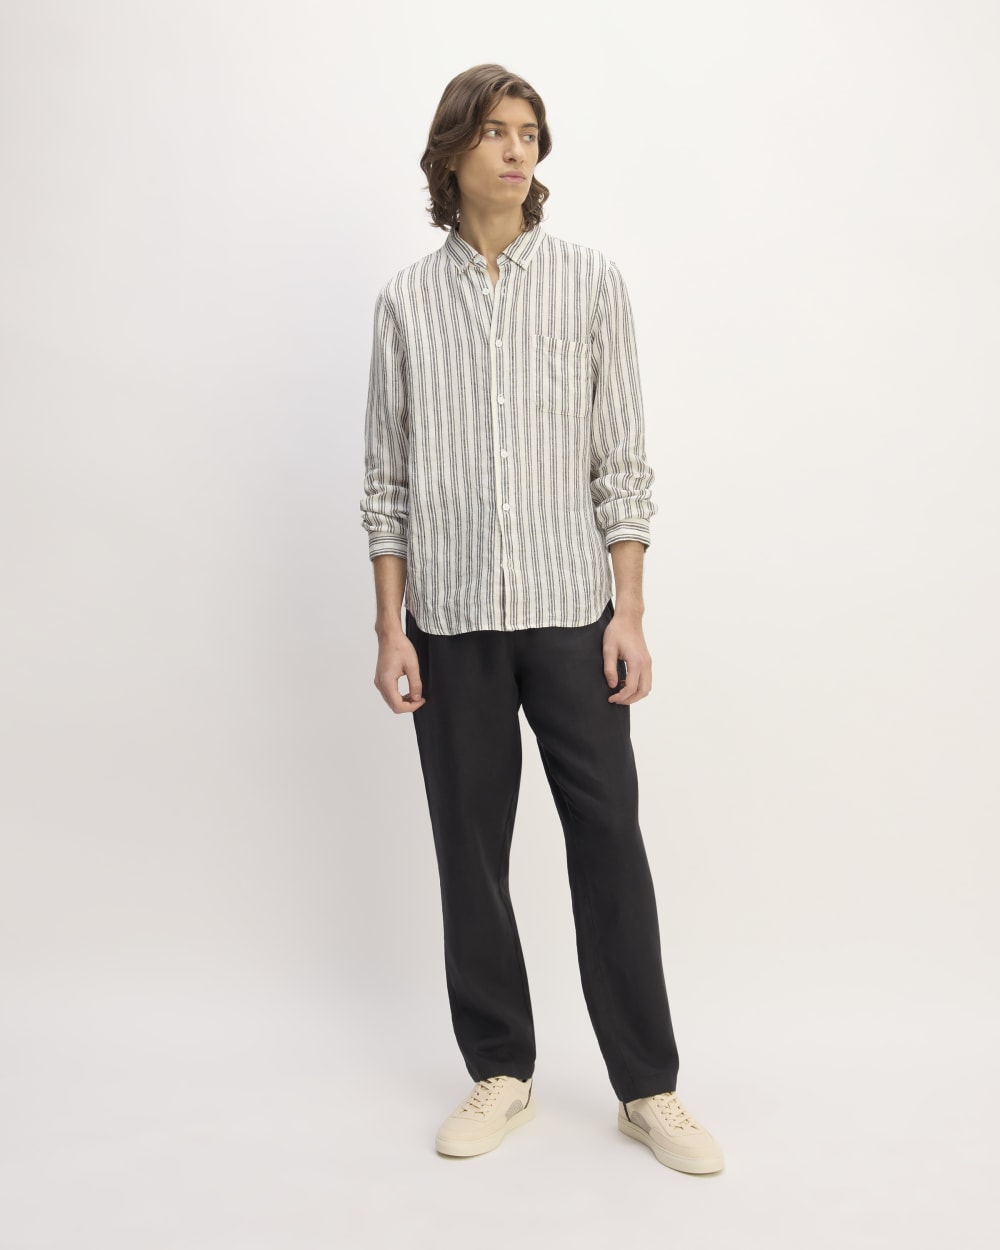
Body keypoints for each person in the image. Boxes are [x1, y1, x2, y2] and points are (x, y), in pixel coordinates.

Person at [360, 63, 723, 1175]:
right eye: (495, 132)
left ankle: (647, 1089)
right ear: (452, 152)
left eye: (529, 133)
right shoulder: (405, 303)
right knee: (469, 852)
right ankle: (501, 1071)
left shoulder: (590, 283)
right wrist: (390, 629)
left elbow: (622, 462)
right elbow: (386, 482)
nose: (517, 151)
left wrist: (629, 609)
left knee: (608, 839)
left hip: (573, 614)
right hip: (451, 621)